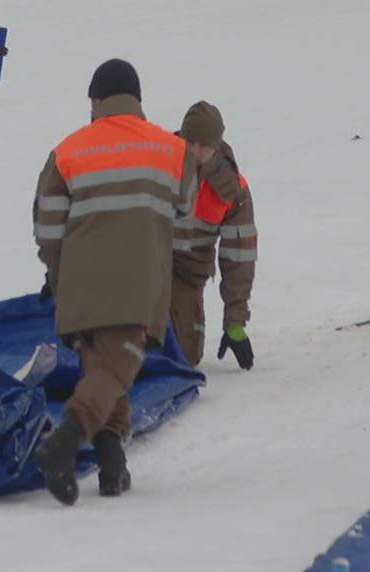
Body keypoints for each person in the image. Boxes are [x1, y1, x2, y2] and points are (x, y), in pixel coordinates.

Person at [32, 59, 197, 505]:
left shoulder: (67, 151)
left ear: (96, 100)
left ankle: (111, 463)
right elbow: (185, 210)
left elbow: (47, 227)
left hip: (80, 285)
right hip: (138, 283)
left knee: (102, 369)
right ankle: (62, 444)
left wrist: (58, 274)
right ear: (137, 100)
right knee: (115, 369)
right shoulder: (172, 150)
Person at [171, 101, 257, 370]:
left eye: (203, 145)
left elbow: (239, 258)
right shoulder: (157, 163)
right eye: (190, 142)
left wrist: (235, 322)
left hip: (187, 273)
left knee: (185, 357)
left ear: (217, 145)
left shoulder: (233, 190)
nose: (195, 151)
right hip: (143, 267)